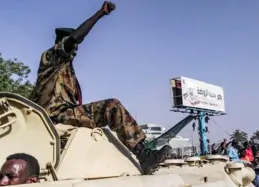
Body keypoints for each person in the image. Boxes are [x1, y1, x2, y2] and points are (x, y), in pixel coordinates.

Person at [30, 1, 171, 174]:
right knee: (111, 106)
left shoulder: (66, 70)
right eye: (72, 47)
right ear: (62, 42)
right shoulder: (51, 57)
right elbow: (75, 38)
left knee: (105, 111)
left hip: (63, 113)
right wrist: (100, 13)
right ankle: (144, 155)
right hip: (54, 116)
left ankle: (141, 152)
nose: (75, 50)